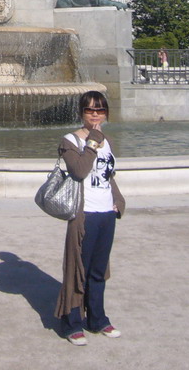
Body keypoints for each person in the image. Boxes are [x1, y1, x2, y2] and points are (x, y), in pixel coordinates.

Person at [55, 91, 126, 346]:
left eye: (100, 109)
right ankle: (72, 323)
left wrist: (118, 200)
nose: (95, 114)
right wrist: (93, 139)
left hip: (106, 213)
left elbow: (108, 174)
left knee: (98, 270)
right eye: (89, 110)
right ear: (81, 112)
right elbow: (80, 170)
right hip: (84, 214)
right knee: (78, 270)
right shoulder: (70, 140)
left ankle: (97, 319)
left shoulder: (107, 140)